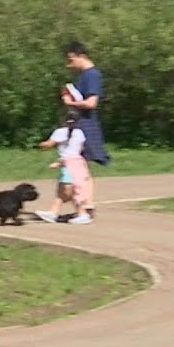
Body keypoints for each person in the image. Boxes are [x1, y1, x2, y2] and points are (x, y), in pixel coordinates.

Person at [61, 41, 108, 221]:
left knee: (78, 167)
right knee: (79, 166)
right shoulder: (84, 75)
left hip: (86, 123)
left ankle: (85, 207)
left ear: (80, 55)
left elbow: (91, 103)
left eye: (71, 59)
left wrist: (70, 103)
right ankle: (84, 206)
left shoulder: (92, 75)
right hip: (80, 123)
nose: (69, 64)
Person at [35, 109, 93, 224]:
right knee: (63, 191)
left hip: (68, 165)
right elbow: (81, 148)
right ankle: (53, 213)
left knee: (68, 191)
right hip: (78, 163)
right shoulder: (80, 132)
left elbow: (49, 144)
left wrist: (41, 144)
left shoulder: (60, 132)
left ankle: (82, 213)